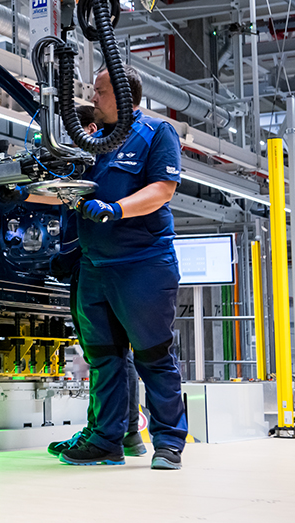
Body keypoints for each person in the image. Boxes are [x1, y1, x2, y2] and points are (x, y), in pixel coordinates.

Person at [59, 64, 187, 470]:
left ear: (125, 96)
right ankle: (106, 440)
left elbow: (161, 191)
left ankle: (168, 443)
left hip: (142, 265)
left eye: (98, 90)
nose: (92, 98)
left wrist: (115, 210)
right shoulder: (93, 142)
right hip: (95, 267)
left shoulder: (156, 133)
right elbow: (71, 193)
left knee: (153, 356)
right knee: (104, 358)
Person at [46, 105, 145, 460]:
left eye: (71, 134)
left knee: (106, 352)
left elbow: (85, 227)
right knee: (113, 353)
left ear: (89, 128)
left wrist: (66, 258)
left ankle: (110, 435)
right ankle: (121, 432)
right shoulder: (86, 169)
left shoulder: (96, 173)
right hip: (100, 267)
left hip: (94, 267)